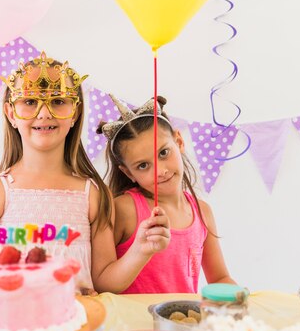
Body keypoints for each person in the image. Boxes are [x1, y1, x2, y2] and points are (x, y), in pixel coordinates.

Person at [0, 52, 169, 294]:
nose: (44, 113)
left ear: (75, 113)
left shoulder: (93, 194)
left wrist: (140, 251)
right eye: (30, 101)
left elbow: (104, 281)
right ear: (10, 112)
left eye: (58, 101)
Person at [97, 95, 236, 293]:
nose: (160, 171)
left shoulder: (202, 212)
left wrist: (239, 300)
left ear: (178, 141)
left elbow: (220, 278)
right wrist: (140, 252)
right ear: (128, 173)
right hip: (136, 323)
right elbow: (102, 284)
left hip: (184, 322)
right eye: (143, 165)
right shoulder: (124, 209)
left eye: (163, 153)